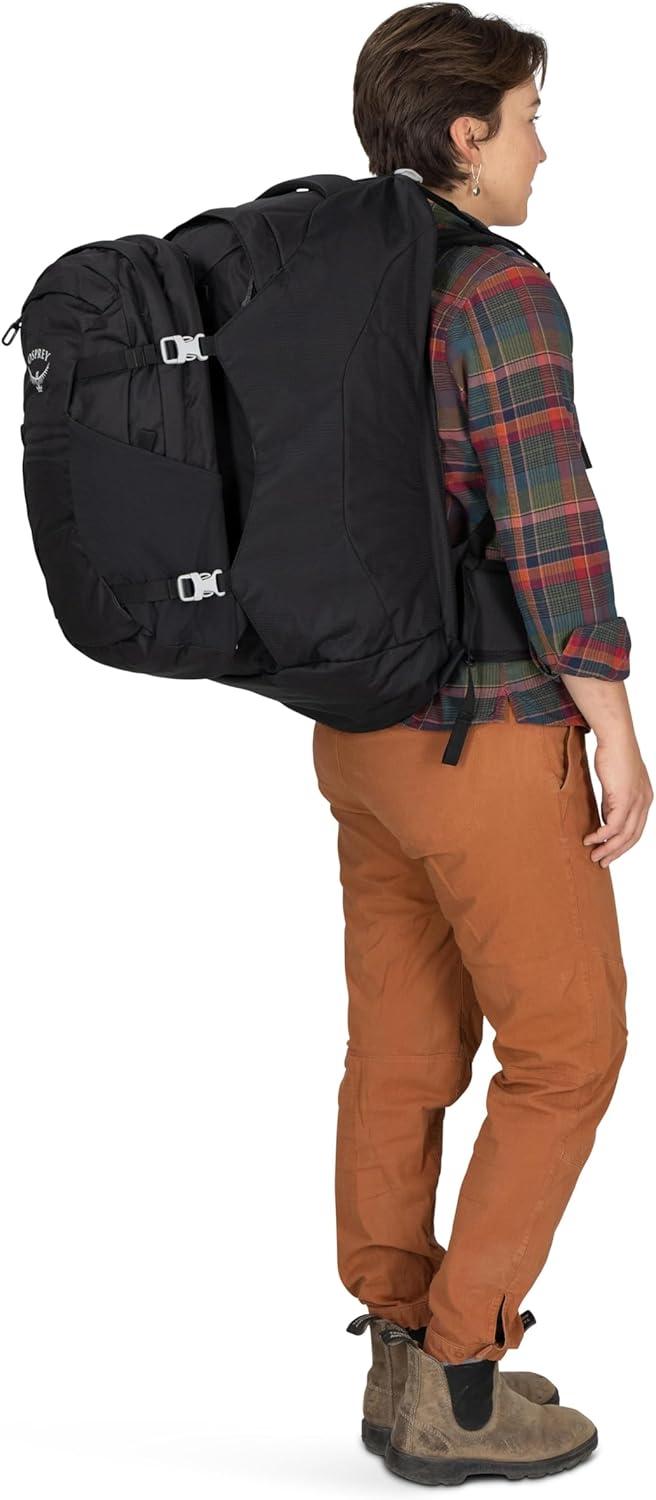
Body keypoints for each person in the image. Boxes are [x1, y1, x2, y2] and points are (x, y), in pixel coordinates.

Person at [312, 2, 653, 1485]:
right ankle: (460, 1381)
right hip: (489, 736)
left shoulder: (337, 276)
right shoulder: (494, 289)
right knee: (570, 1049)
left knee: (400, 1048)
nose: (540, 150)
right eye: (526, 120)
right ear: (465, 132)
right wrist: (614, 723)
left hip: (358, 734)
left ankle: (396, 1342)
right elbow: (549, 524)